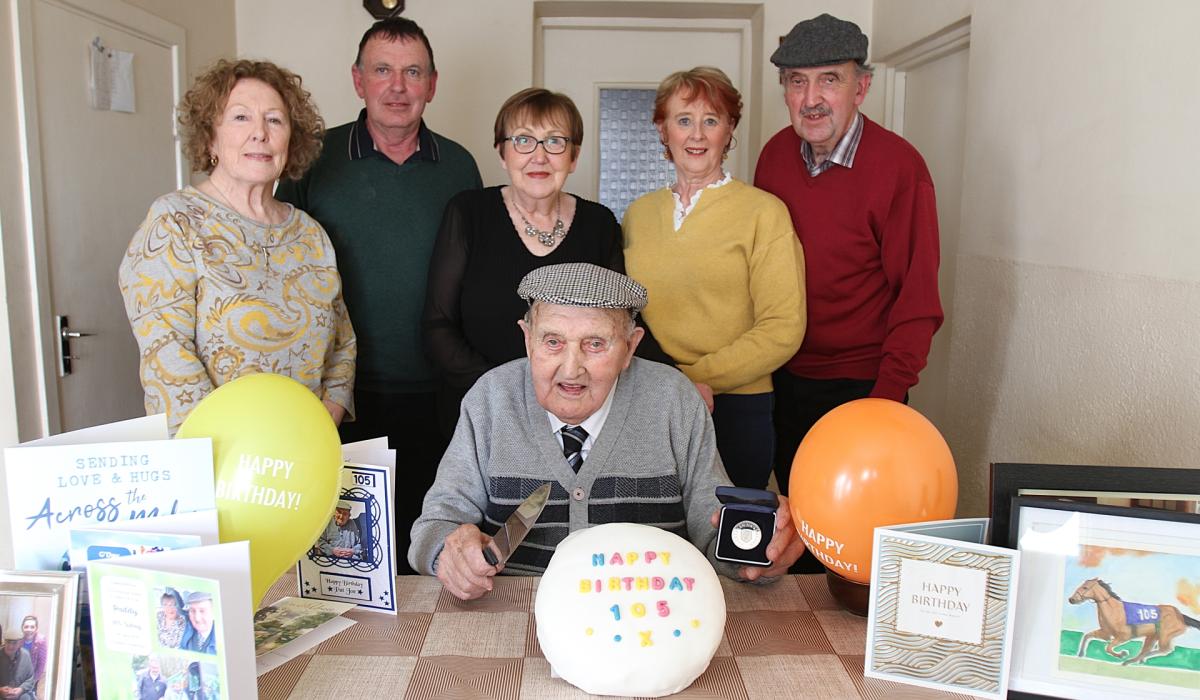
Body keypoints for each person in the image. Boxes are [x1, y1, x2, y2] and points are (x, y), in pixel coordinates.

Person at [410, 263, 806, 600]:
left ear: (631, 347)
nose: (570, 369)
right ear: (527, 339)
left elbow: (713, 529)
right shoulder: (490, 400)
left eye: (595, 344)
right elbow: (434, 526)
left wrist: (761, 550)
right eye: (552, 342)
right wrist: (449, 550)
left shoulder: (674, 401)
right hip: (515, 624)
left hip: (648, 622)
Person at [275, 18, 481, 574]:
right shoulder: (311, 160)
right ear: (357, 80)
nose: (397, 86)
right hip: (341, 396)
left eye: (412, 72)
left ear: (432, 84)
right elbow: (280, 264)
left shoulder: (460, 166)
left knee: (428, 548)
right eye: (382, 71)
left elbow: (477, 274)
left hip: (440, 396)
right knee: (345, 562)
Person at [754, 14, 943, 503]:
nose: (811, 99)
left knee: (856, 522)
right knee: (796, 512)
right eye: (798, 82)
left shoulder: (901, 169)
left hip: (864, 382)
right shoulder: (774, 157)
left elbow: (917, 300)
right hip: (784, 377)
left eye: (829, 80)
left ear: (861, 88)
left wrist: (884, 404)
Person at [118, 58, 356, 436]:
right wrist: (240, 453)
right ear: (210, 137)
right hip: (216, 459)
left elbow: (343, 343)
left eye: (275, 120)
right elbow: (167, 357)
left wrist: (322, 427)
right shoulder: (175, 222)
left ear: (291, 140)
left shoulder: (311, 234)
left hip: (306, 452)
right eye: (241, 117)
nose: (259, 133)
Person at [623, 67, 806, 490]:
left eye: (712, 120)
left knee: (732, 540)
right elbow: (625, 314)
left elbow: (784, 328)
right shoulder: (638, 214)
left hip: (738, 408)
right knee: (659, 540)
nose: (697, 135)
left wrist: (692, 380)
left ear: (729, 130)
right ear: (662, 129)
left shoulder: (764, 212)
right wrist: (670, 384)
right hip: (650, 404)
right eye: (683, 120)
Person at [422, 88, 625, 437]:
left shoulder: (599, 223)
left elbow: (620, 326)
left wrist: (683, 380)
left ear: (574, 157)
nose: (539, 156)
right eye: (523, 141)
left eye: (555, 142)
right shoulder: (469, 213)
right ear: (502, 153)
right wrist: (505, 393)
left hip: (573, 418)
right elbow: (437, 325)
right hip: (479, 412)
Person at [0, 626, 35, 700]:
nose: (10, 646)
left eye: (14, 643)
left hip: (19, 694)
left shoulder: (26, 655)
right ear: (4, 641)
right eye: (8, 642)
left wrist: (21, 689)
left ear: (20, 643)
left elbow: (30, 678)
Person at [17, 617, 45, 697]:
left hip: (33, 676)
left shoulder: (41, 641)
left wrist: (32, 682)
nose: (29, 629)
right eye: (26, 627)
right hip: (20, 676)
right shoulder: (19, 640)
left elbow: (41, 665)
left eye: (32, 627)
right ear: (22, 628)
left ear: (36, 629)